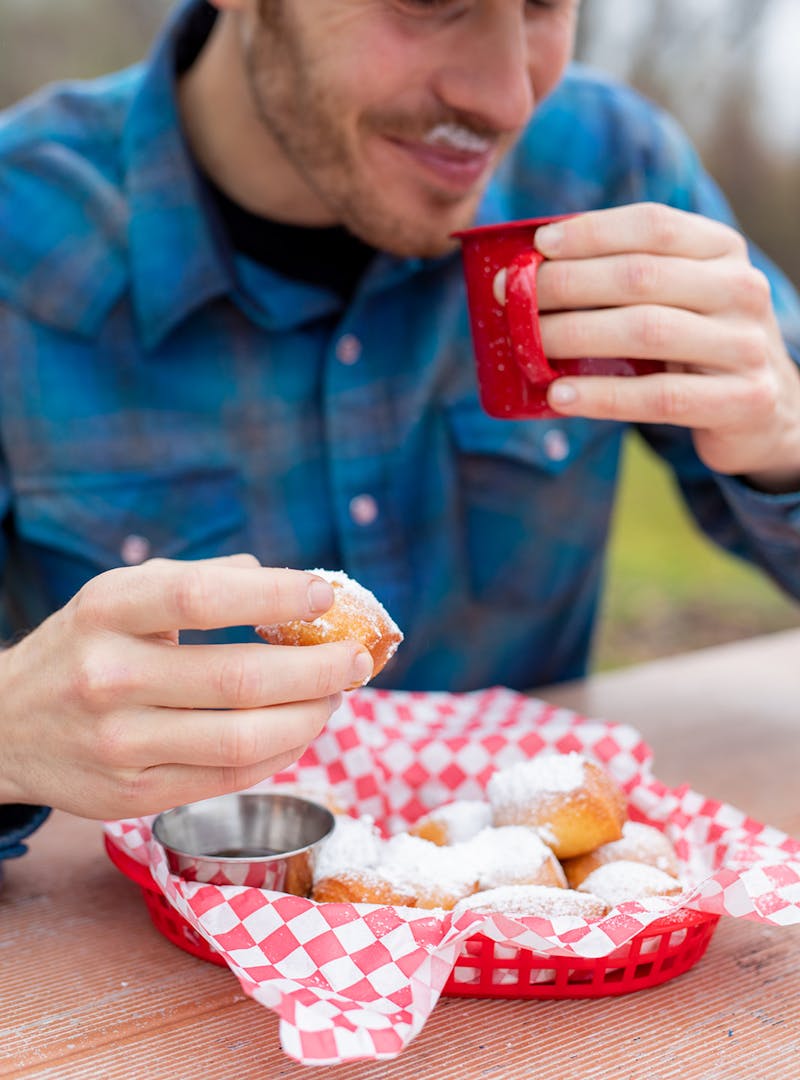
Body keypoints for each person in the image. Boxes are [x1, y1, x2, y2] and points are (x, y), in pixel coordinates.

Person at [1, 0, 799, 871]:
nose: (505, 96)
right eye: (429, 3)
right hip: (129, 971)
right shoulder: (20, 228)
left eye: (542, 6)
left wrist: (783, 436)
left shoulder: (610, 170)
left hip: (554, 984)